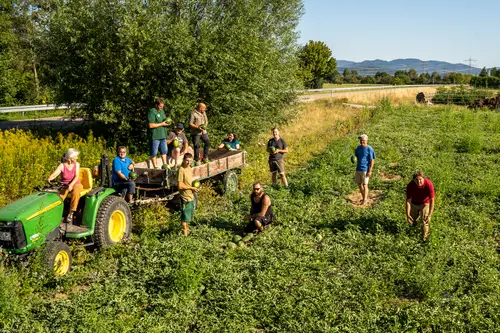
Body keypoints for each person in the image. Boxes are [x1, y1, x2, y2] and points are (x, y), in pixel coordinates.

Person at [47, 148, 84, 223]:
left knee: (75, 192)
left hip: (75, 183)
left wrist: (71, 185)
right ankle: (54, 213)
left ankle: (71, 212)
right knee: (60, 196)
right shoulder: (62, 165)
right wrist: (49, 178)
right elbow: (55, 174)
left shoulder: (77, 164)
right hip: (64, 184)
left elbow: (76, 176)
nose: (77, 158)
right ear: (70, 157)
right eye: (75, 156)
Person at [406, 170, 435, 241]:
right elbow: (408, 201)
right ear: (413, 180)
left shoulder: (428, 184)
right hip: (414, 203)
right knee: (412, 220)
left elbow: (432, 200)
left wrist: (430, 215)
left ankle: (424, 238)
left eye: (420, 179)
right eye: (416, 180)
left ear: (423, 178)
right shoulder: (410, 185)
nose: (419, 182)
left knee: (425, 221)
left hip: (425, 203)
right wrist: (407, 214)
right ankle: (413, 234)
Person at [177, 153, 200, 236]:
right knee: (184, 217)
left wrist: (195, 186)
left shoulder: (189, 168)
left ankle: (187, 230)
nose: (188, 162)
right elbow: (180, 185)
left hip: (190, 196)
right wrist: (191, 188)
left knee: (189, 216)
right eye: (187, 160)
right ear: (183, 160)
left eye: (190, 161)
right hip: (185, 197)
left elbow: (189, 181)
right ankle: (185, 236)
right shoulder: (181, 170)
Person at [148, 97, 171, 169]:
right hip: (155, 136)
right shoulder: (152, 111)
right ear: (156, 105)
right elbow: (150, 125)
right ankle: (155, 167)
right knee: (154, 152)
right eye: (160, 106)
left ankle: (165, 165)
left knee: (164, 151)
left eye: (162, 106)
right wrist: (162, 124)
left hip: (163, 135)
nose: (161, 108)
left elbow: (164, 120)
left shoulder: (161, 111)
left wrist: (167, 122)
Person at [354, 134, 375, 205]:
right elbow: (355, 156)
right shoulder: (358, 148)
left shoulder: (369, 149)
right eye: (360, 140)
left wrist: (370, 170)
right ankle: (363, 198)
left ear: (366, 140)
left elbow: (372, 160)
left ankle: (365, 199)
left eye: (363, 140)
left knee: (365, 184)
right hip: (358, 168)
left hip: (365, 169)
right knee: (359, 184)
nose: (361, 141)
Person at [188, 101, 210, 165]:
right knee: (196, 145)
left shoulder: (204, 113)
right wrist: (197, 127)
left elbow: (206, 121)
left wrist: (205, 126)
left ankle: (205, 157)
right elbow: (190, 123)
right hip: (196, 132)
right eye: (204, 108)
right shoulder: (193, 113)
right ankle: (196, 159)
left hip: (203, 131)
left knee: (207, 142)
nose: (205, 109)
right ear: (200, 108)